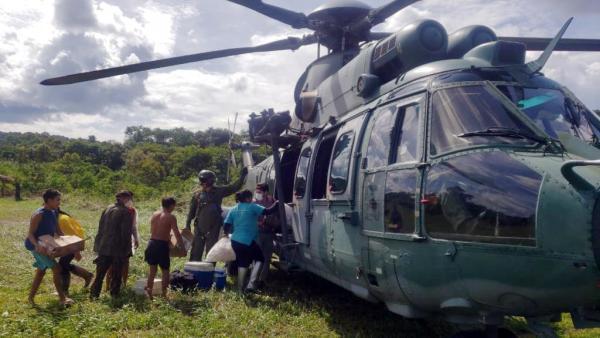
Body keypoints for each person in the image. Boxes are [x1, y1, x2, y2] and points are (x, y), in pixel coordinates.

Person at [185, 167, 248, 261]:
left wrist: (242, 176)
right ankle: (193, 273)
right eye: (201, 180)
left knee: (211, 253)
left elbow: (234, 187)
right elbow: (192, 211)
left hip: (213, 228)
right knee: (195, 253)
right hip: (199, 228)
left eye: (204, 180)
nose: (202, 183)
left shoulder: (219, 191)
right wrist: (187, 224)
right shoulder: (197, 195)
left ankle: (208, 273)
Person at [223, 189, 278, 293]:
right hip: (247, 240)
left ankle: (241, 289)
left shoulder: (234, 209)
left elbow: (226, 225)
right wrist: (277, 203)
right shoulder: (252, 206)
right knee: (260, 259)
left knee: (243, 262)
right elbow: (267, 211)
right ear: (248, 198)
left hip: (235, 240)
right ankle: (250, 286)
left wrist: (226, 234)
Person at [25, 189, 73, 306]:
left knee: (41, 272)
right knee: (57, 268)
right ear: (49, 200)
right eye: (57, 200)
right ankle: (62, 299)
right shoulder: (39, 214)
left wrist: (69, 240)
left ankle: (30, 298)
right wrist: (37, 246)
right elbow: (30, 234)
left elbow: (58, 231)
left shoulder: (53, 212)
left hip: (47, 245)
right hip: (36, 246)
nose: (59, 202)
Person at [90, 190, 134, 299]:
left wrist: (98, 245)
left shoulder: (107, 208)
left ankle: (94, 294)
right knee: (117, 274)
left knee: (100, 274)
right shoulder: (126, 212)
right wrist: (126, 250)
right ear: (123, 198)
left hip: (104, 246)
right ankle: (114, 296)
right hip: (117, 248)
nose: (130, 201)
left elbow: (100, 228)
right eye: (129, 199)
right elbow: (126, 233)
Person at [144, 196, 184, 299]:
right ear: (171, 205)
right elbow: (177, 234)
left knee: (152, 270)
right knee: (165, 271)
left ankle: (149, 292)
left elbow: (157, 231)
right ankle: (164, 294)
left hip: (151, 243)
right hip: (161, 245)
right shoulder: (170, 217)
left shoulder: (155, 214)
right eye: (174, 206)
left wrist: (169, 241)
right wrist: (182, 248)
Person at [106, 190, 138, 291]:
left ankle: (123, 283)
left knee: (125, 262)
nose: (130, 201)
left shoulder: (132, 211)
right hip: (114, 241)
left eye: (131, 199)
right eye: (128, 198)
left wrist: (136, 238)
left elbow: (133, 226)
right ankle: (108, 285)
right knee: (111, 264)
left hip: (126, 241)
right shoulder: (112, 209)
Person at [57, 209, 93, 296]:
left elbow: (73, 237)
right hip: (67, 245)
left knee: (62, 265)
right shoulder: (56, 218)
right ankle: (87, 275)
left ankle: (64, 291)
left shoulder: (62, 219)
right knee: (63, 265)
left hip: (74, 244)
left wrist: (76, 251)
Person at [253, 183, 278, 289]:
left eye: (260, 192)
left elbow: (277, 214)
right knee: (257, 258)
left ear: (266, 192)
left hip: (269, 233)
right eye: (257, 191)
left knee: (267, 258)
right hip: (257, 233)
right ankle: (254, 280)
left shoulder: (272, 201)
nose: (257, 193)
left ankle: (262, 280)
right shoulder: (253, 202)